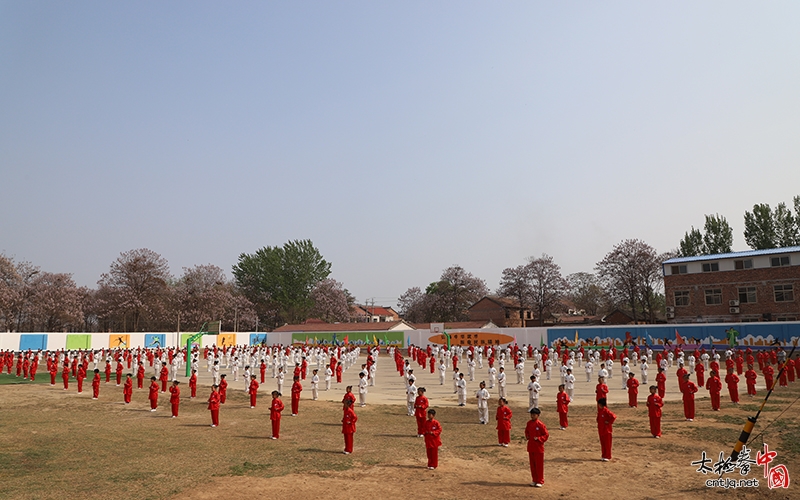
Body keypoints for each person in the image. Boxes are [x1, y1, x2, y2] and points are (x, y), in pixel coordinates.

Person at [524, 408, 549, 488]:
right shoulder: (529, 423)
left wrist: (539, 439)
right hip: (531, 446)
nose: (532, 416)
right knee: (533, 465)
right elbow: (527, 431)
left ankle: (540, 480)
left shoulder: (540, 424)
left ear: (538, 415)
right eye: (531, 414)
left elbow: (546, 435)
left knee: (539, 465)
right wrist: (527, 436)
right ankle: (534, 479)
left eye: (534, 415)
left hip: (538, 448)